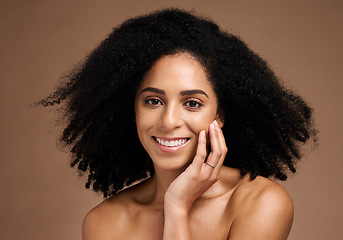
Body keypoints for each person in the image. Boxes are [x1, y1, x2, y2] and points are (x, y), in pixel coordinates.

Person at [39, 8, 317, 240]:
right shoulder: (105, 223)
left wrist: (176, 206)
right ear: (132, 110)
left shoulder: (261, 203)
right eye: (153, 101)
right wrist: (176, 204)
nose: (169, 121)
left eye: (192, 103)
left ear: (219, 115)